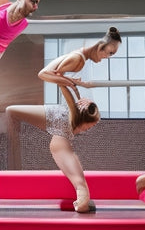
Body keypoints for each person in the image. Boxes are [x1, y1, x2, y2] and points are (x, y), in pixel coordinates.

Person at [6, 85, 101, 213]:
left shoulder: (71, 112)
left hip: (54, 117)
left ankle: (83, 203)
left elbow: (71, 95)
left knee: (10, 110)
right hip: (59, 139)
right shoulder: (71, 117)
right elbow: (65, 89)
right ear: (83, 120)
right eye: (89, 127)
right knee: (81, 185)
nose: (88, 130)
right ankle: (82, 204)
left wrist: (87, 101)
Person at [38, 26, 122, 89]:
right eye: (110, 53)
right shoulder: (78, 59)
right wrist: (72, 84)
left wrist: (79, 83)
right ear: (100, 47)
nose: (107, 57)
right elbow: (52, 75)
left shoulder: (80, 56)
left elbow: (59, 76)